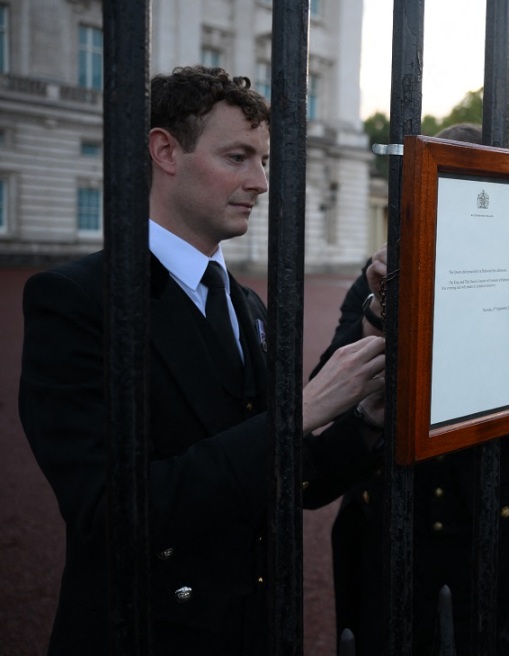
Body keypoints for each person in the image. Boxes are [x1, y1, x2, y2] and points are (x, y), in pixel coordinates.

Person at [19, 66, 388, 654]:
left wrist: (367, 420)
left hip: (255, 626)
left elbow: (294, 480)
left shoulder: (246, 303)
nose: (261, 182)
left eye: (263, 161)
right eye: (238, 157)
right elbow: (108, 513)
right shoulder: (75, 300)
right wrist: (297, 414)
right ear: (165, 151)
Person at [317, 123, 509, 655]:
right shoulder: (377, 281)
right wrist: (380, 307)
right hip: (388, 530)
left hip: (490, 532)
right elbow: (326, 407)